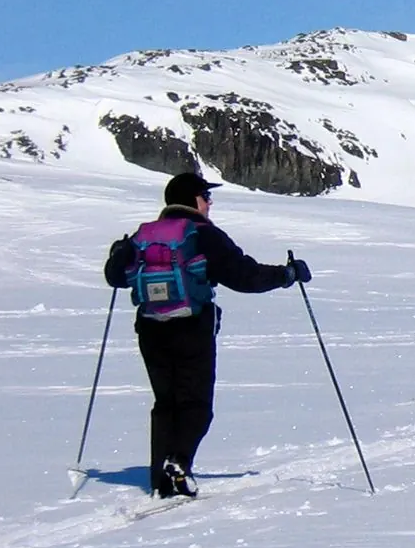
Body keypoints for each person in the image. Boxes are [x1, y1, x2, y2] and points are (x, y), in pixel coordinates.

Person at [103, 172, 310, 498]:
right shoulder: (202, 235)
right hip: (192, 327)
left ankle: (162, 478)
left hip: (150, 328)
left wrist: (118, 253)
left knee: (166, 402)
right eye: (205, 196)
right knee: (196, 404)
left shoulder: (143, 237)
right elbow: (246, 277)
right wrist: (288, 274)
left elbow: (115, 277)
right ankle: (179, 464)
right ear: (191, 200)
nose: (210, 202)